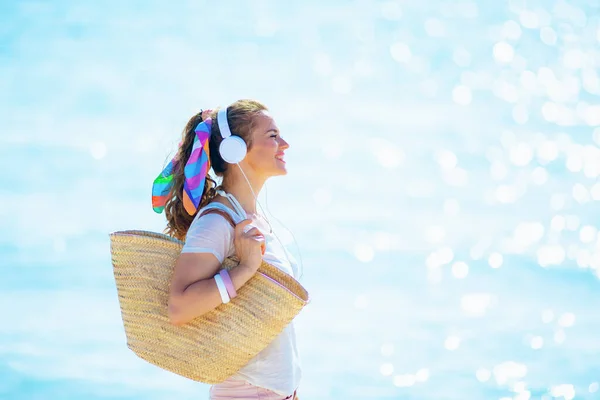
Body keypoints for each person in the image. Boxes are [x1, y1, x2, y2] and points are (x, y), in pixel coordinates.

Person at [151, 99, 301, 399]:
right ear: (235, 150)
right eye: (272, 136)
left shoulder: (251, 217)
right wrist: (245, 269)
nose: (284, 144)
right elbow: (179, 307)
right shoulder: (217, 222)